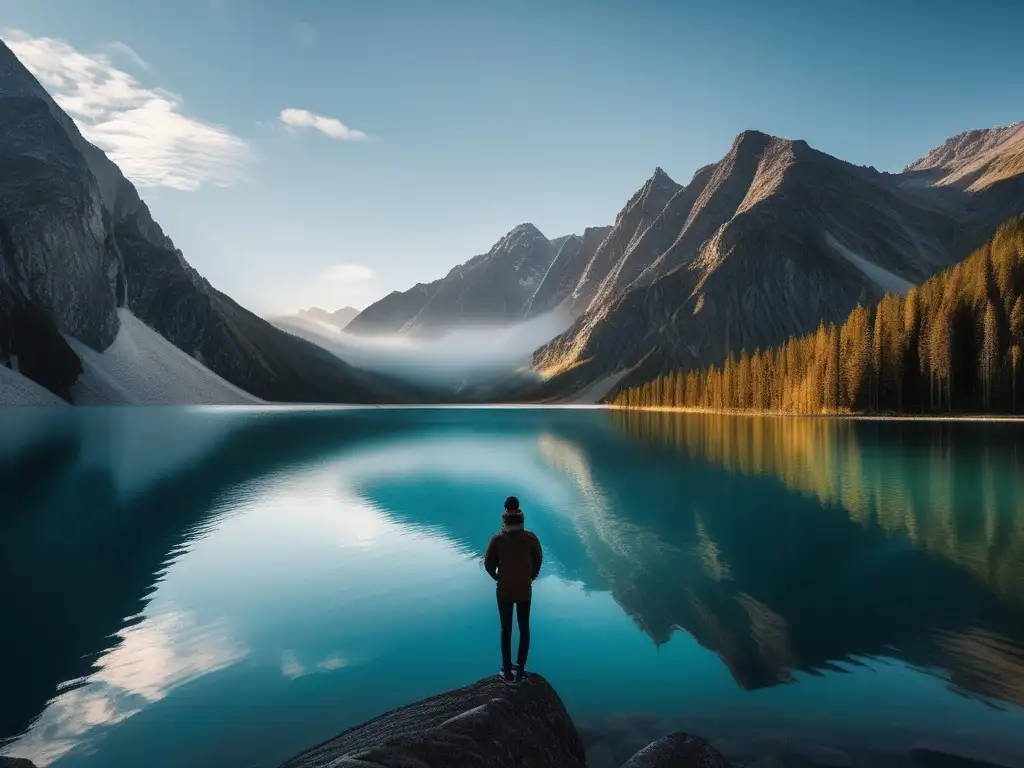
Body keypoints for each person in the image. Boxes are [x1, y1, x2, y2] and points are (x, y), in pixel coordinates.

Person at [483, 496, 543, 682]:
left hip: (505, 590)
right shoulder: (530, 538)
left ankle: (507, 671)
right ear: (521, 516)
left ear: (504, 517)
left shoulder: (498, 540)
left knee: (506, 629)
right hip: (524, 588)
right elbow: (538, 559)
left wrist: (498, 577)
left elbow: (488, 564)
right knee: (524, 628)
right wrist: (530, 576)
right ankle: (521, 669)